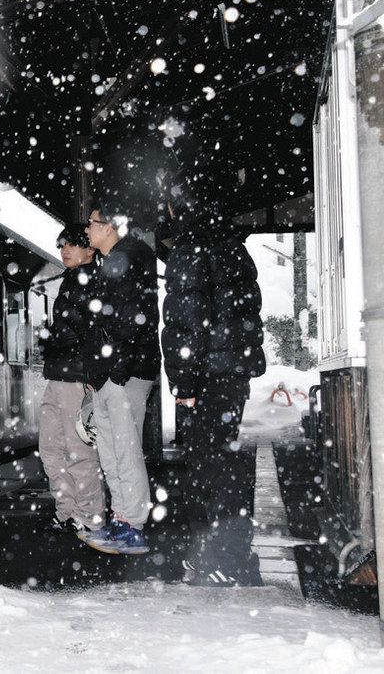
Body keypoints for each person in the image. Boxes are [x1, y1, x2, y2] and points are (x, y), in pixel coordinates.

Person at [162, 174, 266, 585]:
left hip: (208, 376)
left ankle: (220, 558)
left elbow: (187, 324)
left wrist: (185, 386)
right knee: (227, 464)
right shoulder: (232, 246)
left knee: (208, 469)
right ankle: (234, 554)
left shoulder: (191, 250)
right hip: (230, 373)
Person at [82, 202, 161, 555]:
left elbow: (128, 321)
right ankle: (123, 519)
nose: (87, 230)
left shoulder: (125, 260)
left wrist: (115, 370)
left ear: (110, 227)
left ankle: (133, 526)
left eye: (92, 224)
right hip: (111, 372)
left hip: (123, 373)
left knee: (124, 451)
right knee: (112, 451)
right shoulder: (120, 260)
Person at [37, 223, 105, 537]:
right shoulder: (70, 282)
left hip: (76, 376)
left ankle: (89, 516)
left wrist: (49, 338)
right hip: (59, 374)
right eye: (62, 245)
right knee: (50, 447)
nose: (64, 251)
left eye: (72, 245)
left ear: (89, 249)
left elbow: (81, 330)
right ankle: (68, 511)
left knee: (78, 451)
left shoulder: (90, 282)